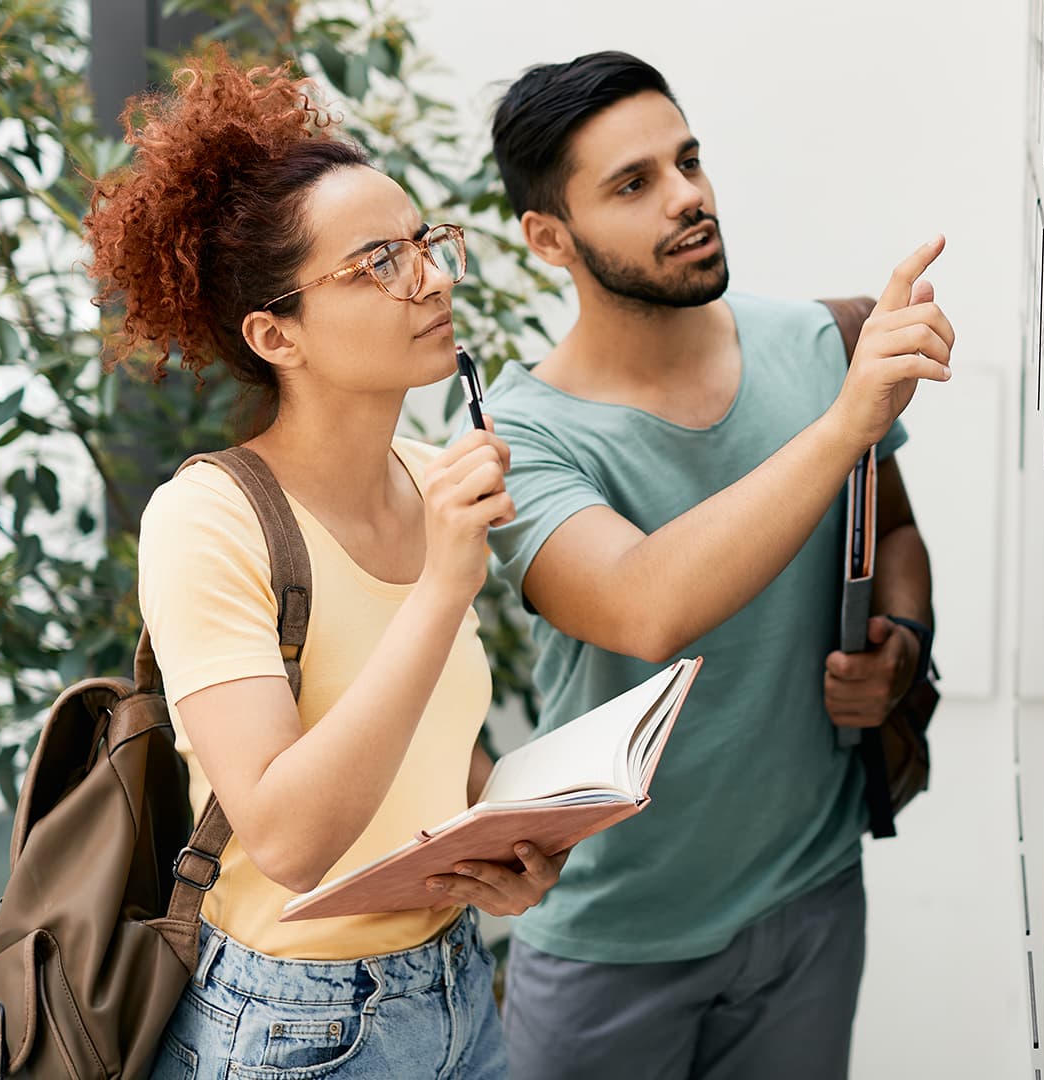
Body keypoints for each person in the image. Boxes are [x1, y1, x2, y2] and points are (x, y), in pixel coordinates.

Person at [83, 49, 557, 1079]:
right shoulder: (208, 519)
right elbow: (290, 841)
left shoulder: (428, 476)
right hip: (291, 1027)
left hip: (457, 988)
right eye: (379, 262)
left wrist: (509, 847)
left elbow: (429, 748)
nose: (433, 278)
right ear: (276, 335)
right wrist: (443, 588)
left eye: (424, 243)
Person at [478, 51, 952, 1080]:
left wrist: (901, 643)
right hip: (614, 938)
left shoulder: (817, 346)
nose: (688, 196)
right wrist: (844, 425)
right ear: (549, 238)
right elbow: (643, 607)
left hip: (811, 897)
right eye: (633, 184)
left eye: (687, 161)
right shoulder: (524, 435)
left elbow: (895, 537)